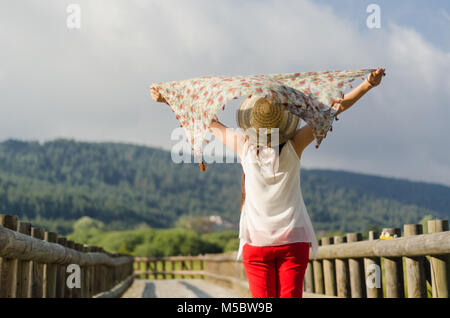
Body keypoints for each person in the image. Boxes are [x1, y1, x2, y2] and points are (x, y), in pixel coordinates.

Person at [151, 67, 386, 298]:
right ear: (285, 122)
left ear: (252, 125)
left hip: (256, 242)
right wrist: (367, 84)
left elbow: (208, 121)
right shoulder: (295, 146)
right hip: (294, 241)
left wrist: (168, 100)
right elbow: (333, 108)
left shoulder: (244, 147)